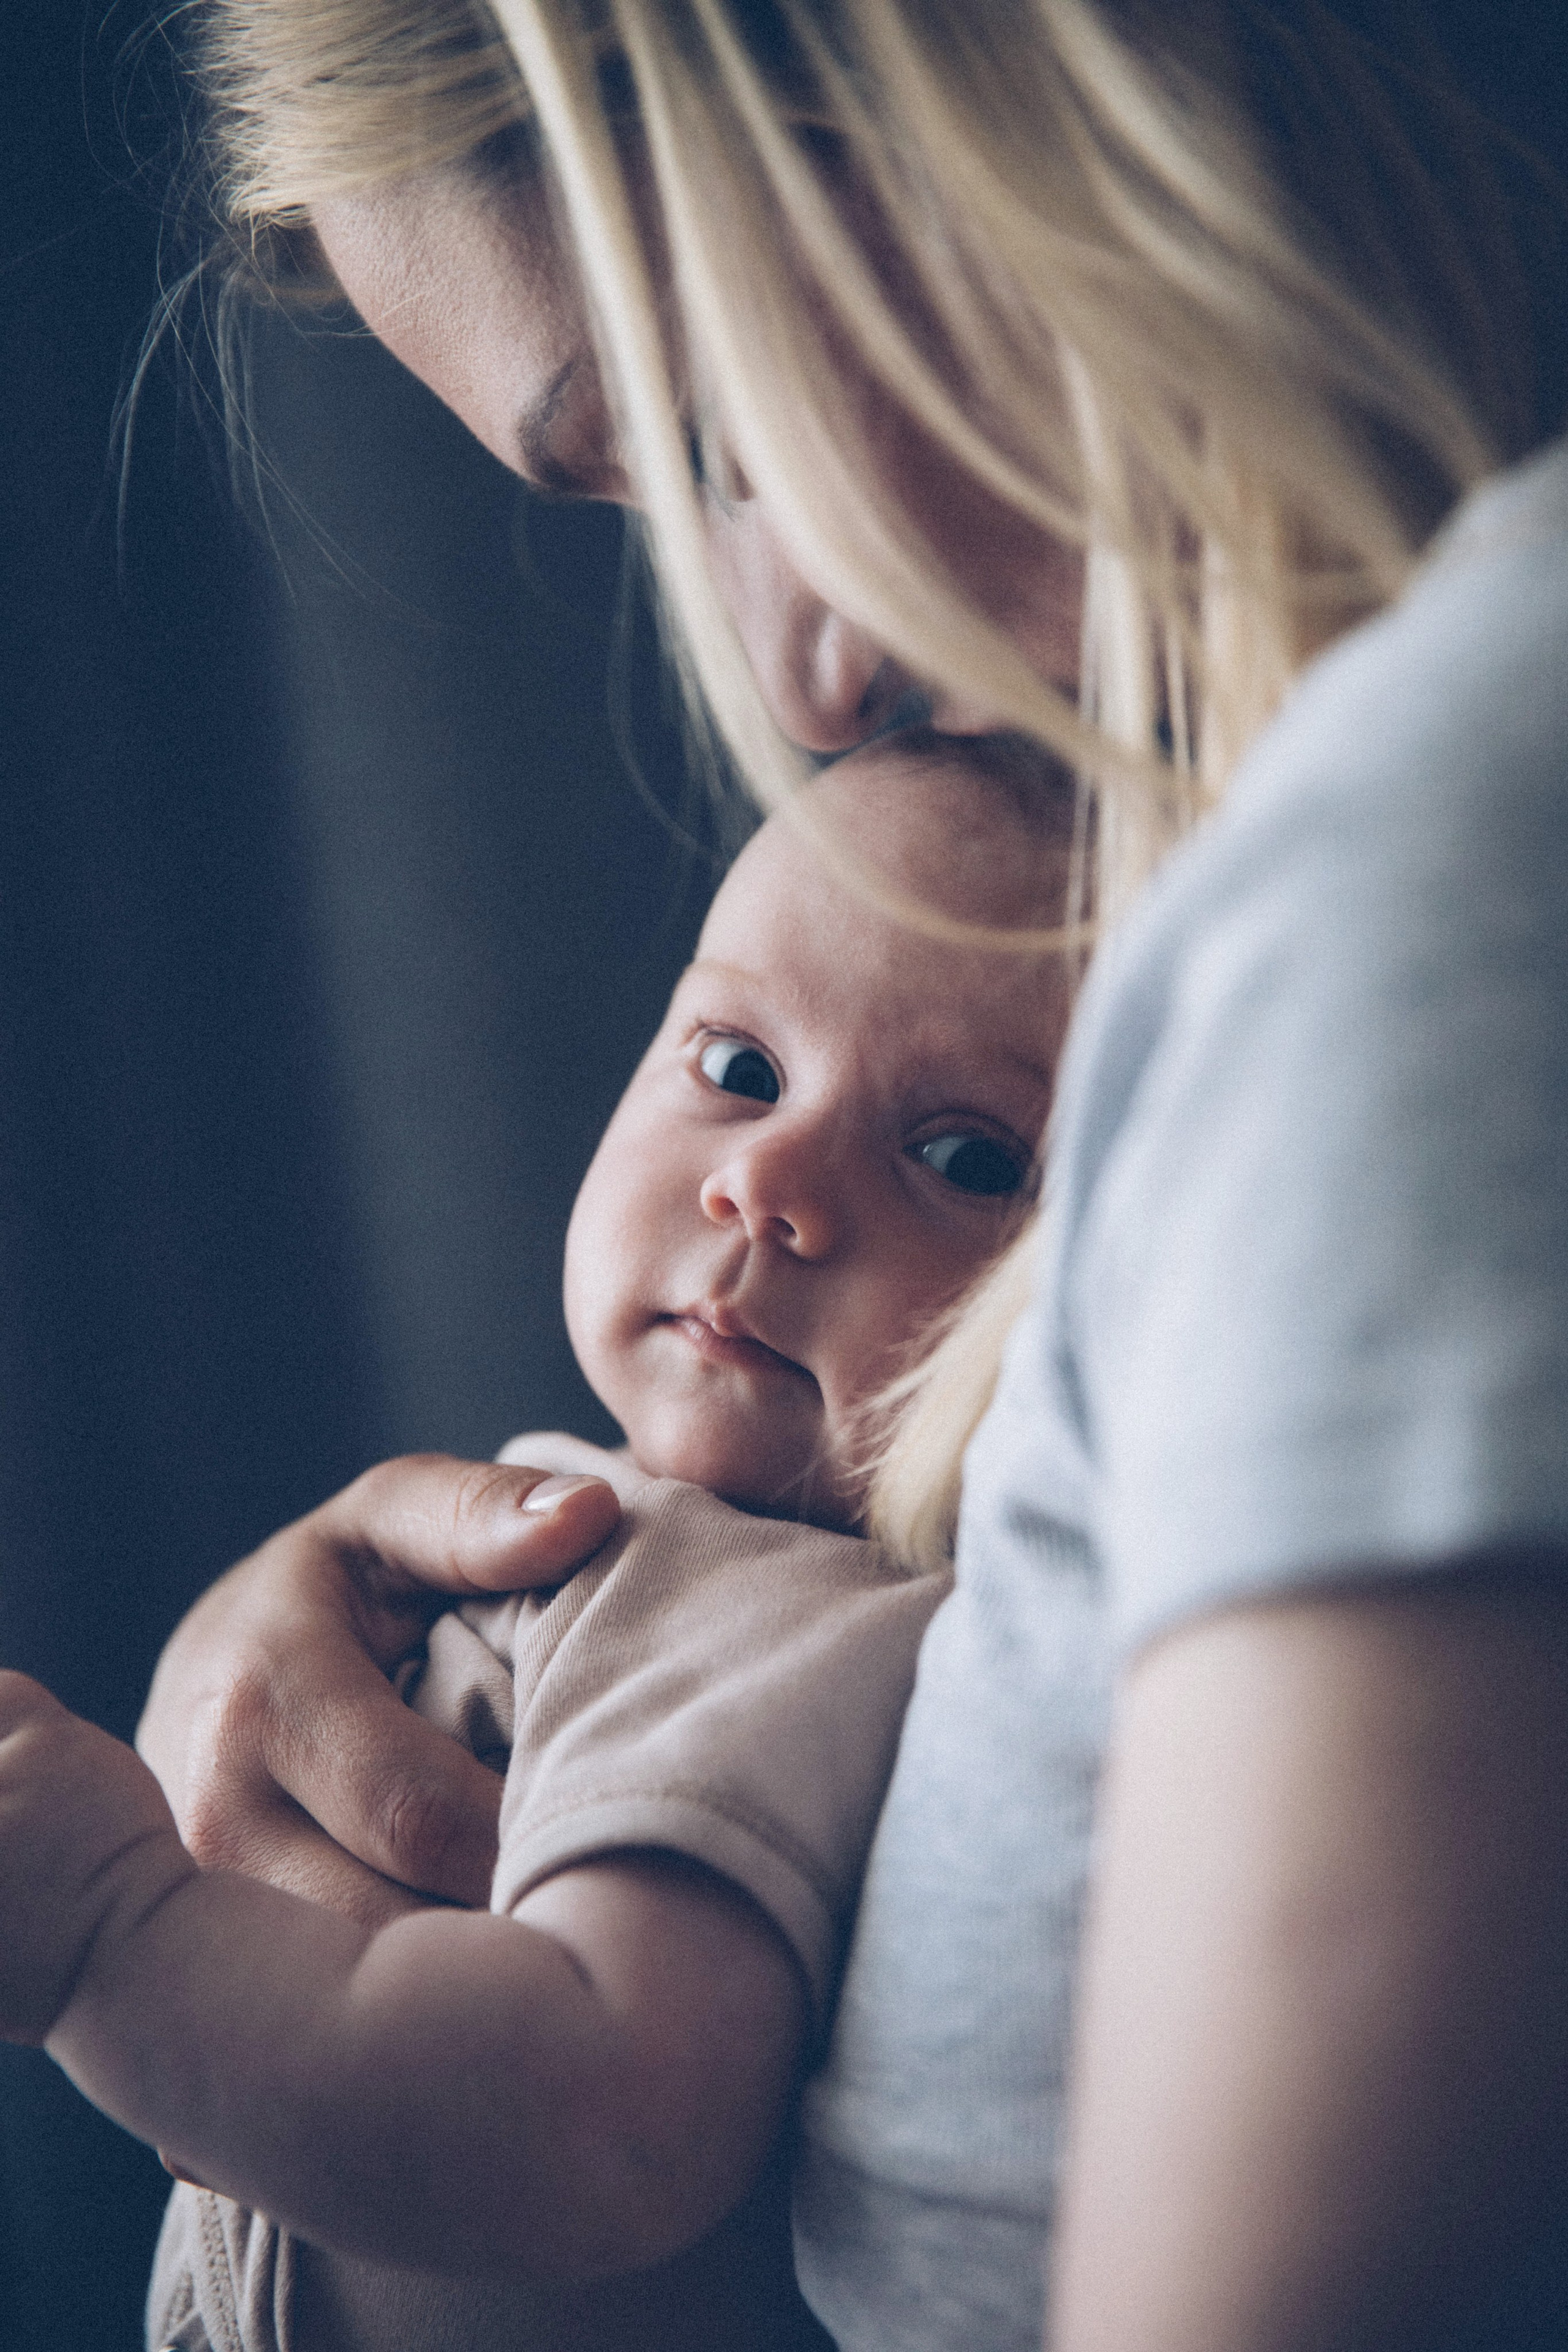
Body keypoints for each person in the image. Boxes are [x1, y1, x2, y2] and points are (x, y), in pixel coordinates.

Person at [91, 2, 1568, 2346]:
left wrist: (117, 1945)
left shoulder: (1449, 852)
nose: (799, 674)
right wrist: (397, 1692)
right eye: (728, 1063)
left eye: (716, 432)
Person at [0, 731, 1076, 2352]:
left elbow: (599, 2118)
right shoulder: (655, 1544)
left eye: (965, 1159)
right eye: (739, 1068)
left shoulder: (786, 1617)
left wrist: (115, 1941)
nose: (769, 1182)